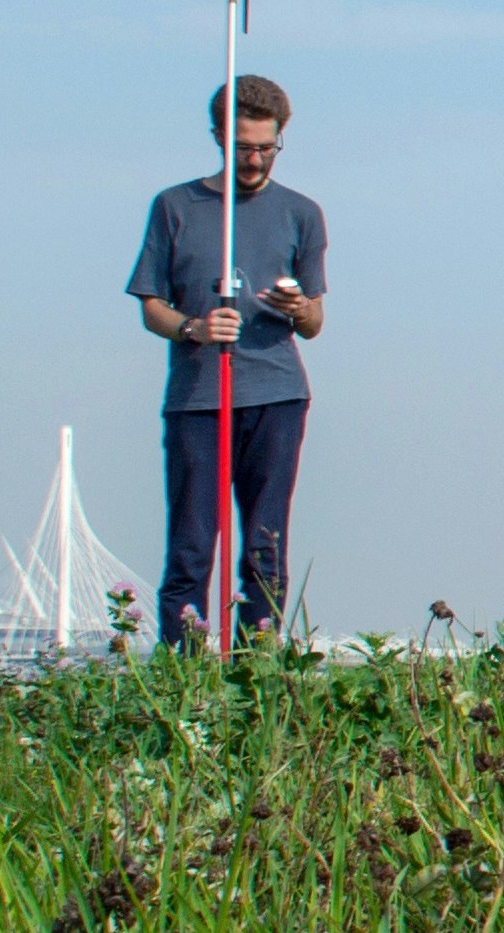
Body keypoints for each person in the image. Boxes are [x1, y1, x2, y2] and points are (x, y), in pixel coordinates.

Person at [126, 74, 328, 647]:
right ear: (219, 137)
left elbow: (314, 324)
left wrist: (296, 307)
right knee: (191, 546)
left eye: (268, 147)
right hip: (198, 398)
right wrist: (194, 327)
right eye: (244, 148)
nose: (257, 159)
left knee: (266, 545)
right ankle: (184, 675)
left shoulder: (302, 214)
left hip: (277, 395)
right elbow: (150, 307)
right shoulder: (174, 207)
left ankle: (255, 670)